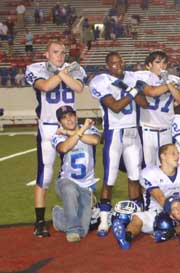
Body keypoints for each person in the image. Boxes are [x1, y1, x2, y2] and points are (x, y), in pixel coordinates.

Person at [25, 41, 86, 237]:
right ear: (47, 54)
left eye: (62, 53)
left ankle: (73, 214)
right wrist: (61, 72)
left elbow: (78, 88)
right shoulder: (36, 69)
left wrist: (62, 71)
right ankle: (40, 221)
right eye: (55, 52)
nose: (60, 56)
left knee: (74, 172)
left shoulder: (74, 70)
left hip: (70, 127)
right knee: (46, 174)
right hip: (49, 127)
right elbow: (44, 86)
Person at [89, 51, 147, 237]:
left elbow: (144, 103)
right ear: (108, 65)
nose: (118, 65)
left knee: (134, 176)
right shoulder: (101, 80)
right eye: (114, 63)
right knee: (110, 177)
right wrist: (131, 91)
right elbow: (114, 106)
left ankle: (136, 216)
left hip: (133, 131)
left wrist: (132, 89)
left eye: (120, 61)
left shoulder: (131, 77)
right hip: (114, 132)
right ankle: (104, 219)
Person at [113, 144, 180, 249]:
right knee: (137, 220)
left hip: (179, 212)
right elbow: (161, 199)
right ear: (163, 156)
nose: (177, 156)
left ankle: (170, 232)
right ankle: (126, 236)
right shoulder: (149, 173)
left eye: (178, 153)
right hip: (155, 212)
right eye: (173, 153)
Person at [51, 106, 100, 242]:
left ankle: (58, 215)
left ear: (76, 116)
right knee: (69, 189)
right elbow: (64, 147)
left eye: (71, 115)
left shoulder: (89, 129)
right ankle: (71, 231)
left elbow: (95, 140)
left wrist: (73, 131)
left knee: (83, 231)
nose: (69, 119)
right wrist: (81, 130)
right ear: (60, 121)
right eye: (64, 118)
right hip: (66, 180)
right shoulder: (57, 135)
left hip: (86, 185)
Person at [135, 51, 180, 167]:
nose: (161, 66)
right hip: (148, 129)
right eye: (157, 62)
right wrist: (168, 84)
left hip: (166, 129)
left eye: (164, 63)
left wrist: (167, 81)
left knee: (167, 166)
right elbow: (151, 92)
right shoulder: (142, 77)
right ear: (148, 65)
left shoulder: (174, 79)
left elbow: (179, 99)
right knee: (148, 168)